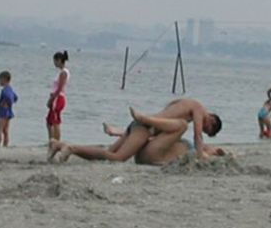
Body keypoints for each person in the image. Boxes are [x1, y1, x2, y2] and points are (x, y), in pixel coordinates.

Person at [49, 99, 222, 162]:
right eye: (209, 130)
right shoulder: (198, 108)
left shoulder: (184, 104)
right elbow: (197, 135)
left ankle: (58, 144)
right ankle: (71, 149)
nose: (204, 130)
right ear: (212, 120)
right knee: (117, 158)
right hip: (144, 127)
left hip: (139, 127)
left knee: (108, 153)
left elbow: (166, 121)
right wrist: (200, 157)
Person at [102, 122, 228, 165]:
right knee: (149, 137)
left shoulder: (191, 149)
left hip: (182, 147)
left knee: (149, 138)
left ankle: (116, 132)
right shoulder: (192, 148)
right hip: (183, 146)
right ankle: (116, 132)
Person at [46, 50, 70, 143]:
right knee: (49, 121)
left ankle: (56, 142)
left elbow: (60, 88)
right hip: (56, 97)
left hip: (58, 98)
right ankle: (51, 140)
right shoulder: (62, 72)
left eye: (55, 61)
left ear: (59, 60)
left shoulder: (63, 72)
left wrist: (51, 99)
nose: (54, 63)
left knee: (55, 121)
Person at [0, 71, 18, 147]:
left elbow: (9, 97)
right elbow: (15, 98)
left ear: (4, 79)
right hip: (9, 112)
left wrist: (6, 103)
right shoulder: (10, 89)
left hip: (3, 113)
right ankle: (5, 145)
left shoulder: (5, 90)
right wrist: (10, 103)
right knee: (5, 131)